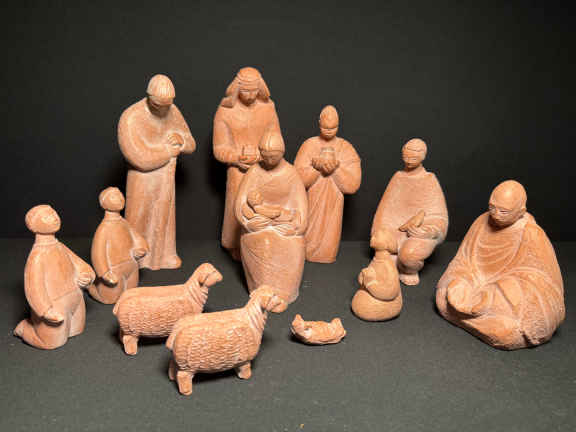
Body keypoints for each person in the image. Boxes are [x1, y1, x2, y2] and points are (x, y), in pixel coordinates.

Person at [436, 180, 565, 350]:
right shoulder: (481, 222)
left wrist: (495, 291)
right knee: (443, 297)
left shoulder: (531, 233)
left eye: (504, 211)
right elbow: (464, 260)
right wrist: (462, 280)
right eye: (492, 207)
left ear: (521, 212)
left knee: (507, 330)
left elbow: (542, 281)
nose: (495, 214)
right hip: (475, 282)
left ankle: (498, 326)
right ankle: (487, 324)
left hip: (503, 295)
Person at [118, 74, 196, 270]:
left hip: (165, 177)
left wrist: (181, 140)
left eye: (166, 106)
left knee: (164, 218)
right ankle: (137, 257)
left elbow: (191, 143)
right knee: (140, 216)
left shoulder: (172, 110)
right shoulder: (131, 117)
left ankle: (164, 255)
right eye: (158, 105)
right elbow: (138, 158)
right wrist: (167, 152)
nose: (162, 110)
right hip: (142, 179)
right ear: (149, 97)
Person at [213, 67, 281, 260]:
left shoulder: (268, 108)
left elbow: (276, 139)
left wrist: (263, 155)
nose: (250, 95)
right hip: (238, 170)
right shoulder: (225, 111)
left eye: (254, 90)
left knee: (265, 207)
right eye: (245, 91)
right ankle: (236, 244)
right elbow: (219, 148)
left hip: (264, 167)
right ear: (236, 88)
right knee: (238, 207)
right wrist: (236, 157)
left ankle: (263, 241)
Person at [235, 129, 307, 305]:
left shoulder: (291, 173)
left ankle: (285, 292)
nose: (268, 161)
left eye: (273, 157)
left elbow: (301, 207)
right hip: (258, 225)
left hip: (285, 224)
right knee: (264, 242)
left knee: (294, 244)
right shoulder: (254, 172)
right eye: (264, 156)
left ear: (281, 153)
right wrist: (248, 224)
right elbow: (240, 203)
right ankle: (262, 292)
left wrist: (295, 228)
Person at [14, 205, 95, 349]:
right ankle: (25, 328)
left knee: (77, 329)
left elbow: (79, 264)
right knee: (51, 343)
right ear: (33, 225)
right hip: (55, 305)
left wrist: (86, 275)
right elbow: (34, 288)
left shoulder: (60, 247)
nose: (54, 218)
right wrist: (45, 311)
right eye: (47, 216)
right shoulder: (37, 256)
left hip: (75, 298)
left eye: (54, 213)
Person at [371, 138, 448, 285]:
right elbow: (384, 209)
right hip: (394, 227)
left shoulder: (429, 180)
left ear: (423, 156)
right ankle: (390, 261)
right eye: (405, 157)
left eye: (413, 158)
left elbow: (438, 216)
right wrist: (380, 229)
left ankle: (406, 268)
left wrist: (428, 231)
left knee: (409, 257)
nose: (408, 161)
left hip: (417, 233)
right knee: (380, 240)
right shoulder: (398, 177)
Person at [294, 105, 361, 263]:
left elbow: (353, 185)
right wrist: (316, 169)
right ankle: (307, 251)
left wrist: (336, 170)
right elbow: (296, 179)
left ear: (338, 125)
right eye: (325, 127)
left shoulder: (345, 148)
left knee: (329, 236)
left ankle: (326, 253)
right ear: (319, 123)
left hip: (334, 203)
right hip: (312, 200)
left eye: (333, 127)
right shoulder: (309, 145)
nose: (329, 131)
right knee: (309, 230)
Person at [89, 187, 148, 304]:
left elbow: (137, 238)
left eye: (120, 194)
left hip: (131, 265)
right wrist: (105, 273)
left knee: (131, 294)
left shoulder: (124, 223)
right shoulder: (104, 228)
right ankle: (91, 288)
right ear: (104, 203)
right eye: (113, 196)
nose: (119, 198)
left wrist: (141, 248)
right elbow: (98, 254)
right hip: (114, 269)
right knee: (110, 299)